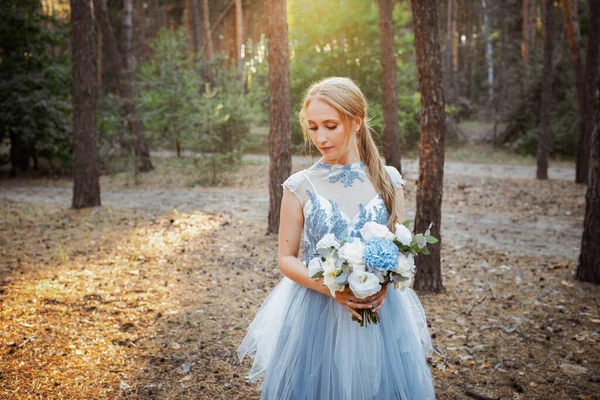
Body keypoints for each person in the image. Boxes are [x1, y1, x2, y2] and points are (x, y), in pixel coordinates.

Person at [237, 77, 435, 400]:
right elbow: (286, 260)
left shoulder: (389, 181)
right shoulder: (299, 186)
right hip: (315, 313)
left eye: (331, 126)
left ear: (356, 122)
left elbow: (399, 249)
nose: (321, 138)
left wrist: (382, 285)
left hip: (379, 315)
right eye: (313, 128)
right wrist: (334, 290)